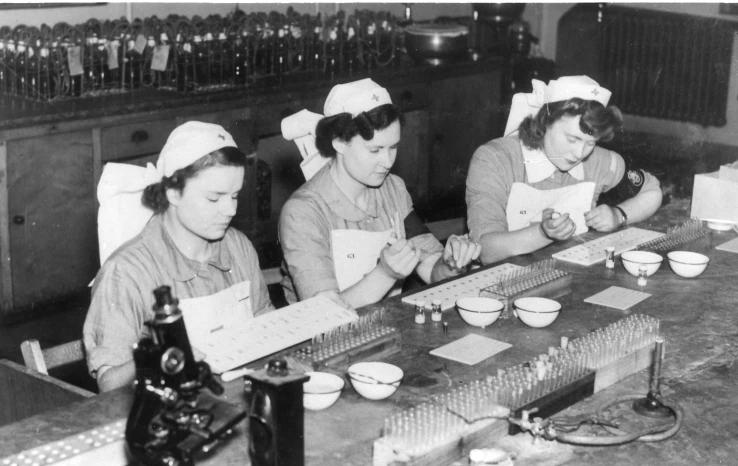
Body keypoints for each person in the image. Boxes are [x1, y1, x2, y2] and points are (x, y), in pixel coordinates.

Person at [84, 121, 274, 392]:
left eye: (235, 196)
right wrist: (158, 353)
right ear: (173, 192)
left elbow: (266, 322)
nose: (230, 209)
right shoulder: (126, 272)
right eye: (214, 198)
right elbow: (109, 385)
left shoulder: (238, 247)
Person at [279, 78, 481, 309]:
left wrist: (452, 262)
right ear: (338, 143)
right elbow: (324, 311)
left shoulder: (392, 189)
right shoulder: (303, 212)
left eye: (393, 147)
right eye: (375, 150)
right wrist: (385, 274)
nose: (387, 162)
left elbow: (431, 270)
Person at [466, 75, 662, 264]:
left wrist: (619, 215)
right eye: (572, 139)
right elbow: (485, 250)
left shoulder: (599, 161)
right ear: (544, 122)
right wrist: (542, 233)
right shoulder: (494, 159)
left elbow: (652, 190)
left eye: (590, 142)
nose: (579, 153)